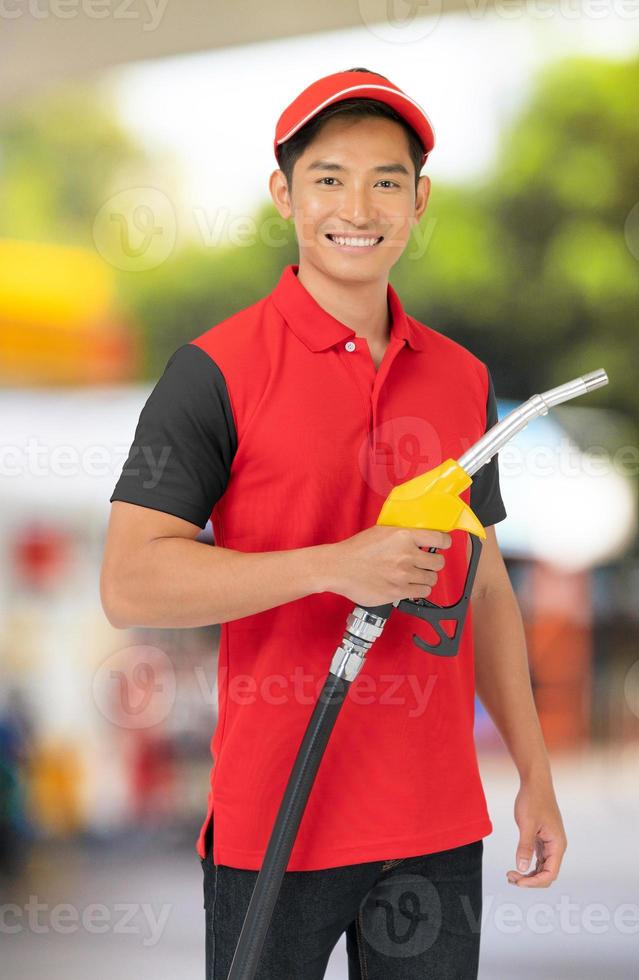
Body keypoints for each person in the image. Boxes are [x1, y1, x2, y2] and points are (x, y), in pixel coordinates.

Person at [99, 67, 566, 979]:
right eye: (328, 178)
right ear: (285, 194)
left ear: (419, 200)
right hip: (275, 816)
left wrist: (534, 773)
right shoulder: (215, 370)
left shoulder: (462, 379)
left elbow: (488, 587)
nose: (359, 206)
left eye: (387, 180)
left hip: (433, 827)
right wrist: (330, 566)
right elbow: (131, 581)